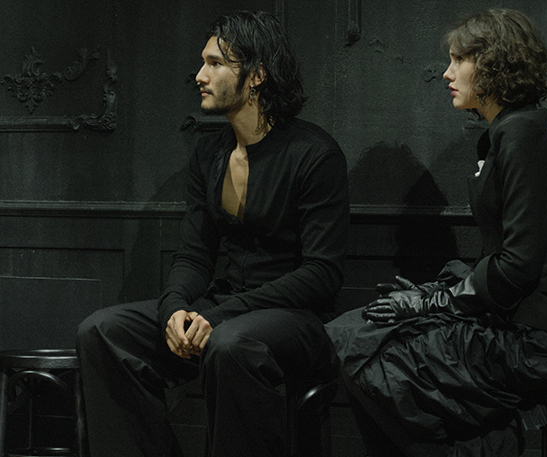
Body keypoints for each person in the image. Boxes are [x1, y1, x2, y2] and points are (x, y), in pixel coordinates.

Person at [325, 8, 547, 457]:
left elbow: (519, 265)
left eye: (458, 60)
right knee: (359, 331)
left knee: (368, 349)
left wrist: (432, 302)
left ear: (493, 65)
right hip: (520, 315)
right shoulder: (507, 131)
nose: (446, 73)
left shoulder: (524, 134)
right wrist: (438, 294)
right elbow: (505, 254)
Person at [76, 10, 349, 457]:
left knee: (229, 343)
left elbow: (321, 274)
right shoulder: (210, 153)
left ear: (256, 75)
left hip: (298, 319)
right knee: (102, 331)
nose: (200, 75)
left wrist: (220, 317)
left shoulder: (314, 154)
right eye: (203, 63)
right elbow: (194, 254)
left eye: (216, 63)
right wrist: (173, 309)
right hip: (225, 308)